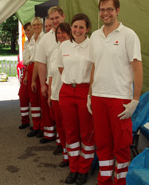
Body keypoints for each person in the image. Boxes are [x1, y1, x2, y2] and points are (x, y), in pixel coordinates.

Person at [87, 0, 143, 185]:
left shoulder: (128, 35)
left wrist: (135, 99)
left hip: (119, 99)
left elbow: (137, 67)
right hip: (98, 97)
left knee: (121, 145)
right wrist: (89, 94)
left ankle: (121, 181)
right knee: (102, 143)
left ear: (117, 10)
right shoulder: (94, 36)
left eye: (109, 9)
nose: (105, 13)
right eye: (102, 9)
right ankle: (104, 180)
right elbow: (95, 66)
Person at [57, 13, 95, 185]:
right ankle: (73, 168)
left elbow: (96, 70)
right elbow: (60, 68)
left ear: (87, 29)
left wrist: (89, 93)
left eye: (81, 27)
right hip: (66, 91)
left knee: (86, 133)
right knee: (70, 132)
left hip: (84, 91)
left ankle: (84, 169)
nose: (77, 30)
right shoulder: (64, 46)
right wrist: (70, 81)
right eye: (75, 27)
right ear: (70, 28)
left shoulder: (92, 46)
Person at [35, 6, 65, 144]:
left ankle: (63, 142)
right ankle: (51, 135)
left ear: (63, 17)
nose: (54, 21)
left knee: (65, 115)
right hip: (51, 81)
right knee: (52, 112)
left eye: (57, 17)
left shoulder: (72, 34)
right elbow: (41, 63)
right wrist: (42, 84)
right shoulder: (45, 39)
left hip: (68, 82)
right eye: (52, 18)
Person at [47, 22, 71, 168]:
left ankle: (75, 155)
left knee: (71, 128)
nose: (61, 36)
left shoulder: (74, 50)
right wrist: (50, 93)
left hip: (68, 95)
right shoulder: (55, 51)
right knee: (60, 127)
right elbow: (51, 74)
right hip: (56, 94)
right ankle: (66, 154)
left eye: (64, 33)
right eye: (58, 33)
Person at [23, 17, 44, 137]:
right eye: (34, 25)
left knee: (41, 99)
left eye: (38, 24)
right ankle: (36, 125)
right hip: (30, 68)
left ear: (41, 25)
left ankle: (43, 126)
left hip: (40, 67)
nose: (36, 26)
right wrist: (26, 74)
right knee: (33, 99)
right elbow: (28, 58)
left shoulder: (44, 38)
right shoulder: (31, 40)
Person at [17, 22, 33, 129]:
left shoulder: (37, 42)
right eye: (25, 30)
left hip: (32, 69)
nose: (27, 32)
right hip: (26, 68)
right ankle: (25, 120)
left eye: (28, 30)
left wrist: (27, 74)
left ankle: (38, 124)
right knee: (22, 96)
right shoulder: (26, 43)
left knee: (34, 98)